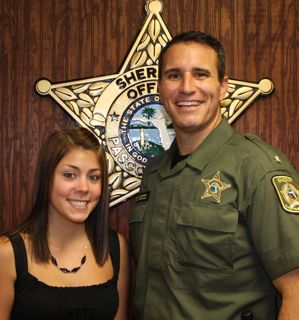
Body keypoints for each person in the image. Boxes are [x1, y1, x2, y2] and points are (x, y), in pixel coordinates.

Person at [129, 31, 299, 319]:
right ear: (160, 87)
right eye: (173, 75)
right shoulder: (154, 173)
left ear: (223, 87)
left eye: (200, 74)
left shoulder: (256, 169)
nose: (186, 87)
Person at [0, 127, 129, 319]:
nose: (84, 188)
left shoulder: (115, 247)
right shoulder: (7, 252)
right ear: (47, 178)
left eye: (94, 177)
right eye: (70, 175)